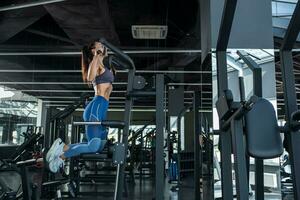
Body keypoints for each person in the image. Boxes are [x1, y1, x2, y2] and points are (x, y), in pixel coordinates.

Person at [46, 40, 116, 173]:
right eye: (100, 46)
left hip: (101, 108)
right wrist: (96, 56)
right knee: (94, 147)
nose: (103, 47)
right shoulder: (96, 64)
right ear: (93, 50)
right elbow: (90, 77)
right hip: (96, 107)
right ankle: (61, 156)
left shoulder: (102, 65)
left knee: (99, 145)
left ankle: (64, 147)